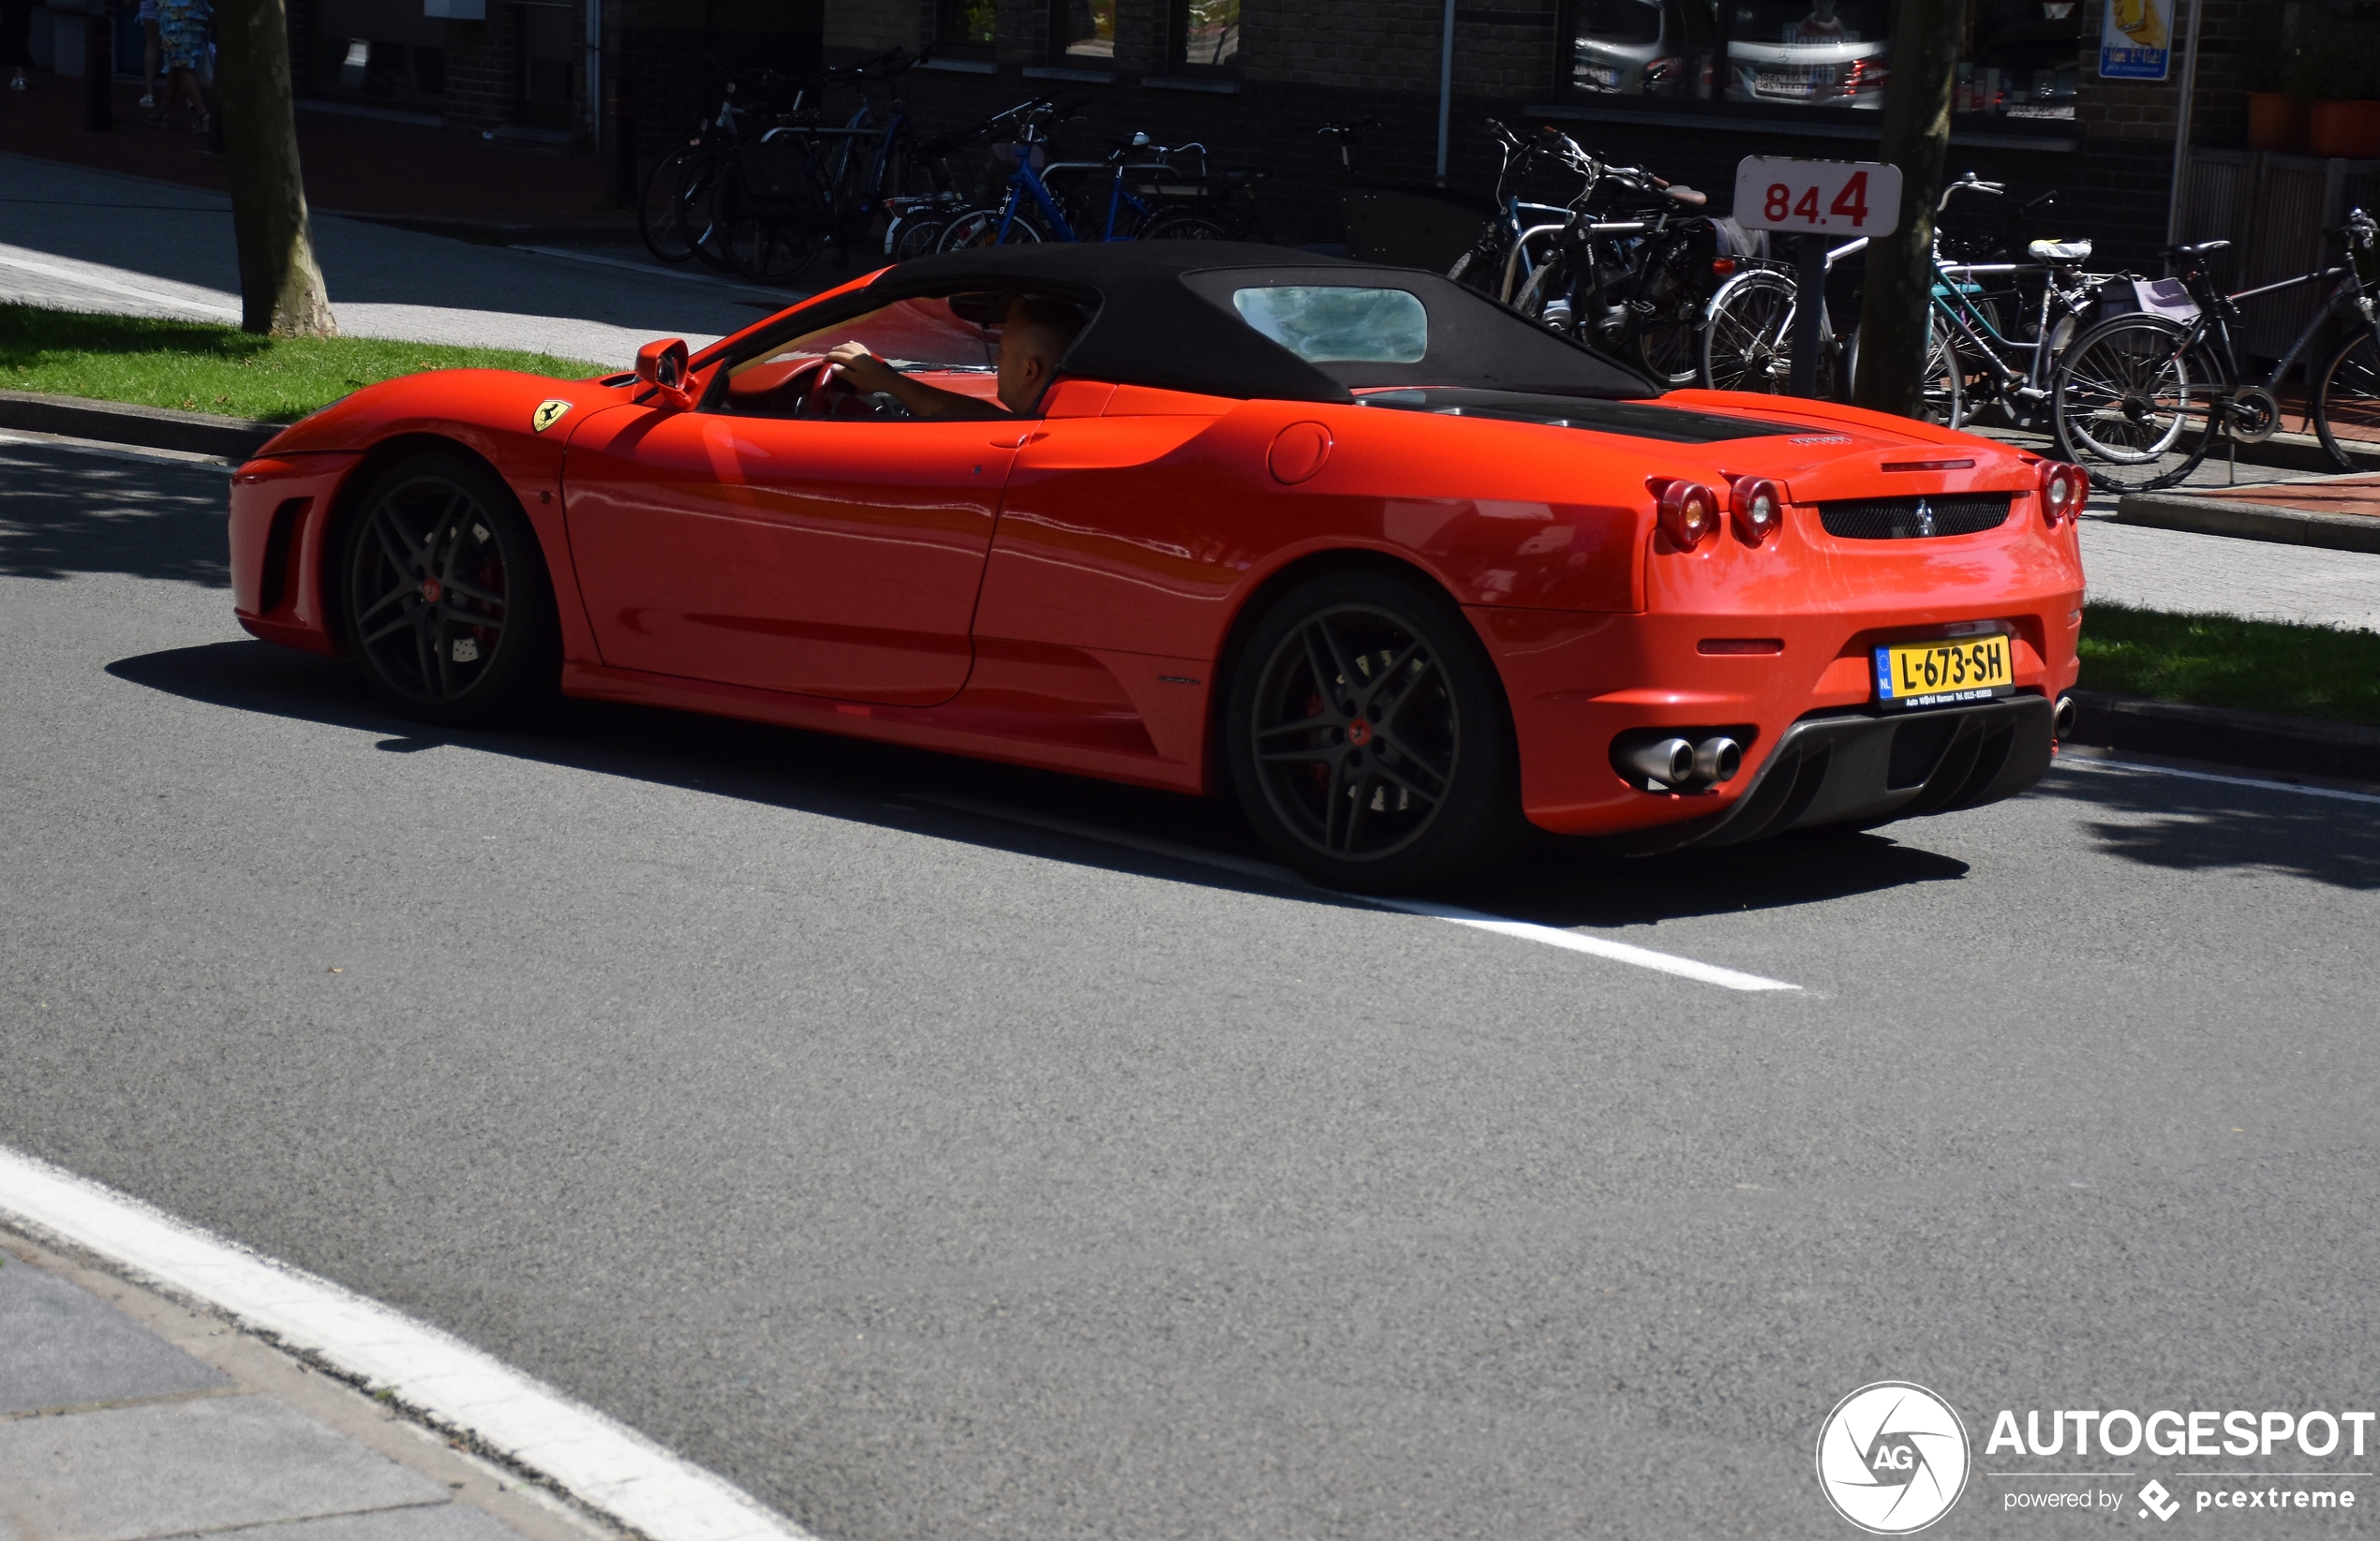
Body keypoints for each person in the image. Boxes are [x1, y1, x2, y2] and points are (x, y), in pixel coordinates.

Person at [823, 295, 1086, 421]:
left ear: (1030, 371)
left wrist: (886, 381)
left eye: (1004, 351)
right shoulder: (1076, 415)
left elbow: (979, 418)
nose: (997, 359)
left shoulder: (1046, 429)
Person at [154, 0, 209, 129]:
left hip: (174, 13)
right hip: (191, 11)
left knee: (181, 63)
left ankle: (203, 114)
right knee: (176, 61)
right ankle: (164, 110)